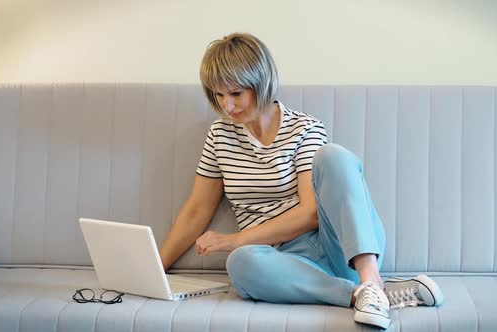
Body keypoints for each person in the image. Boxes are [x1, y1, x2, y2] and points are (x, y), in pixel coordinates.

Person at [159, 32, 443, 329]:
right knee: (240, 263)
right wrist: (156, 269)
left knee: (333, 156)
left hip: (337, 247)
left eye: (236, 94)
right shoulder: (220, 135)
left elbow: (310, 214)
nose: (227, 106)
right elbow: (196, 210)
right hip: (287, 266)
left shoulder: (305, 128)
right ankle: (366, 295)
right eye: (218, 96)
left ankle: (369, 278)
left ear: (261, 83)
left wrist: (234, 239)